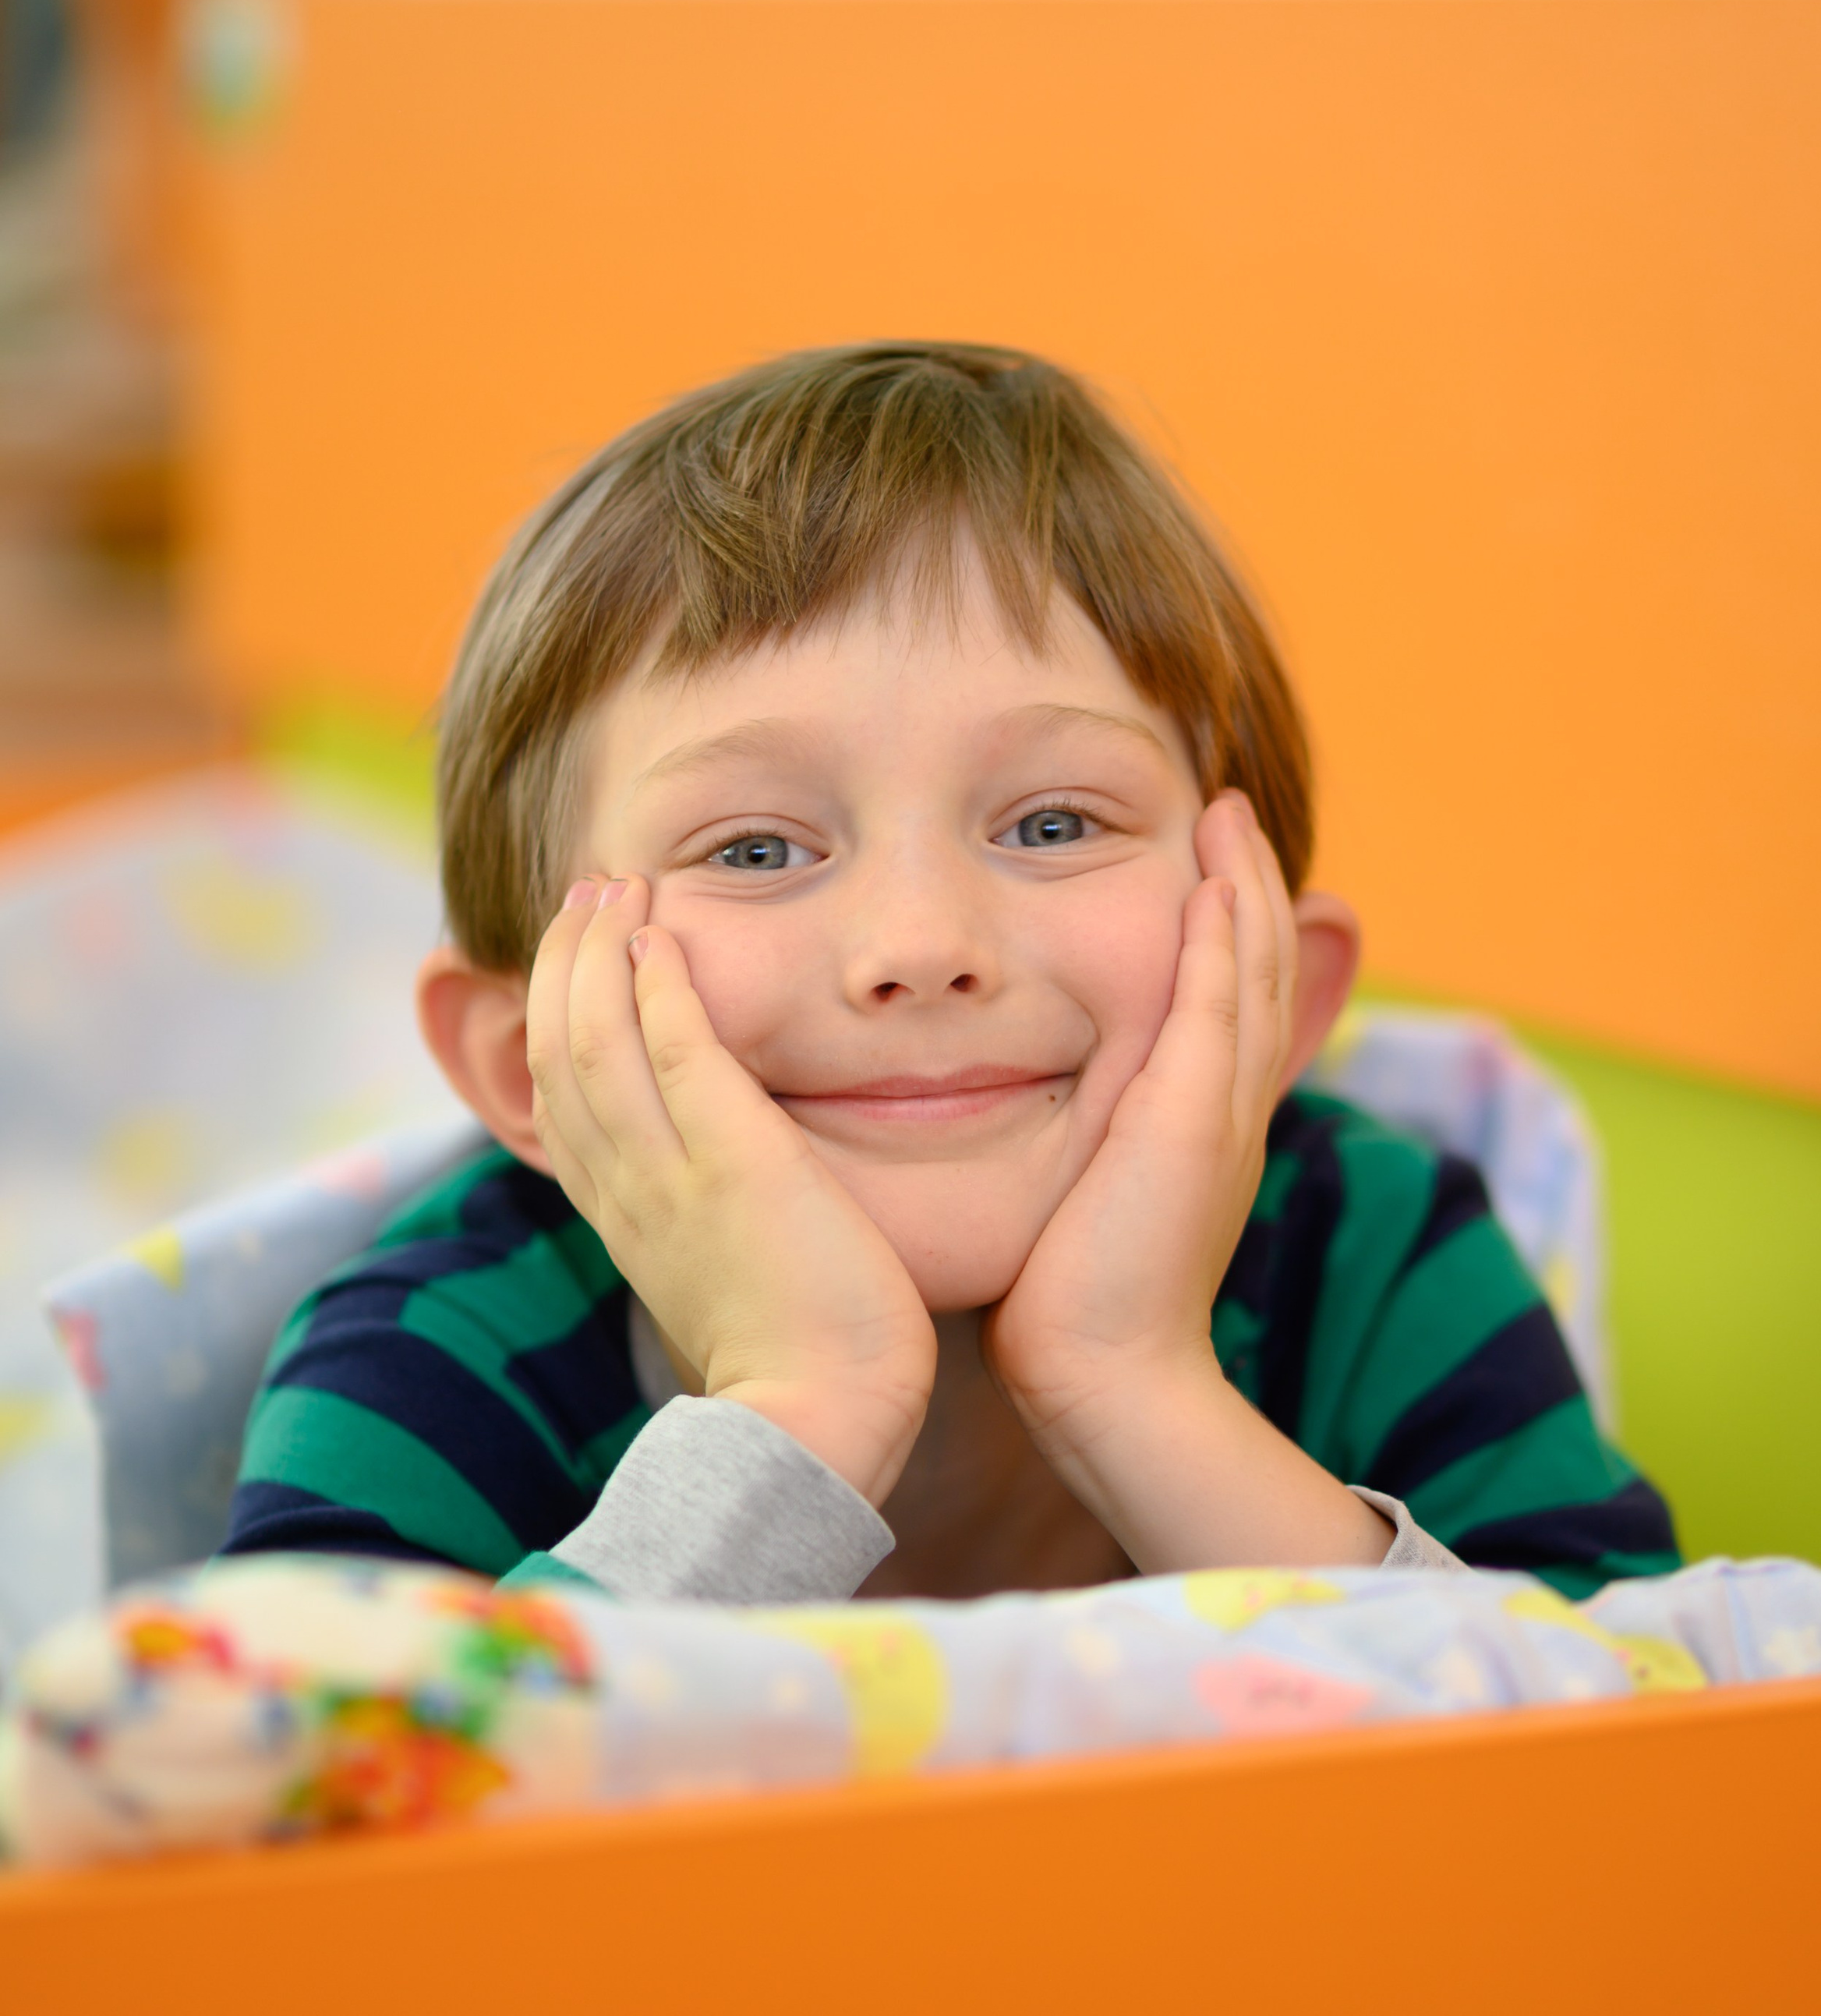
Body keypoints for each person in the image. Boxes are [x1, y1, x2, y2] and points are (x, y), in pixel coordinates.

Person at [222, 342, 1678, 1607]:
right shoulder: (435, 1346)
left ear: (1280, 995)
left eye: (1053, 824)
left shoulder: (1372, 1250)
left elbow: (1634, 1790)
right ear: (520, 1062)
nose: (920, 946)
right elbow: (316, 1854)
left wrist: (1135, 1388)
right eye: (754, 849)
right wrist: (800, 1412)